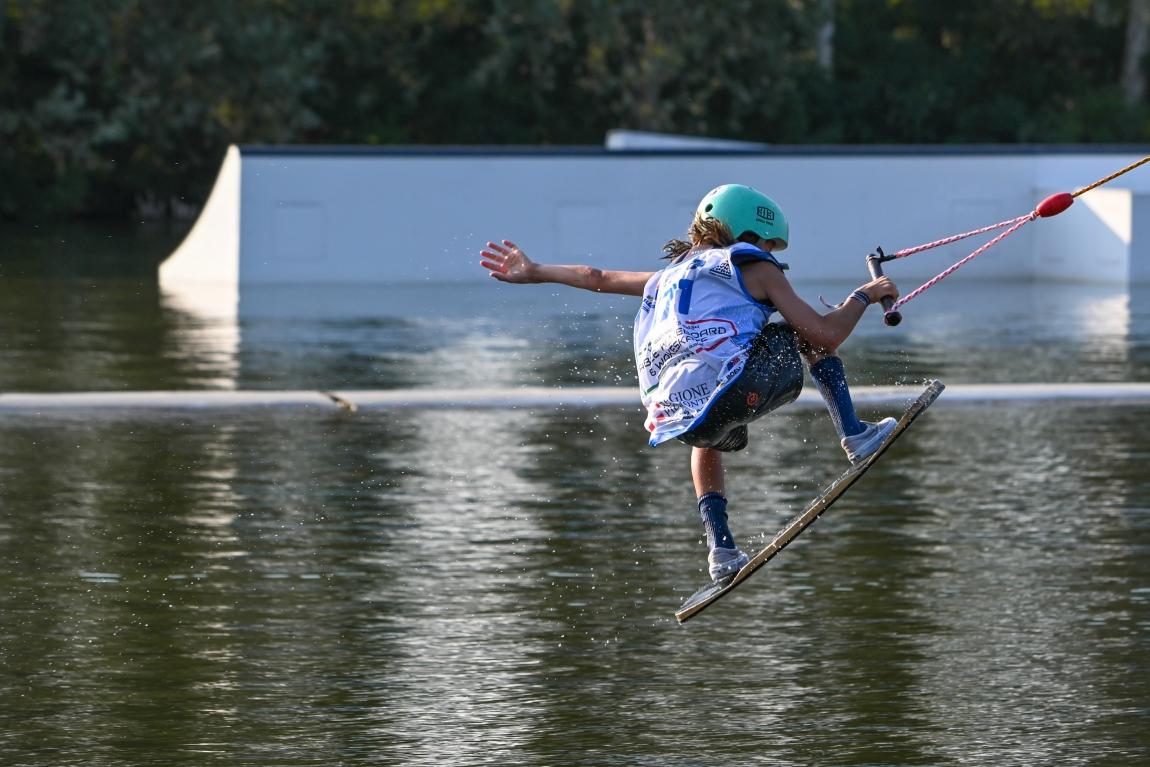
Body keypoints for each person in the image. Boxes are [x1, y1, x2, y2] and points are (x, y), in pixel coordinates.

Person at [479, 183, 899, 584]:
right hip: (734, 391)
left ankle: (720, 550)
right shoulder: (752, 262)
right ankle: (855, 435)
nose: (771, 255)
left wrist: (535, 271)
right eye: (769, 244)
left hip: (678, 419)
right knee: (802, 335)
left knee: (706, 427)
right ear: (750, 232)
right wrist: (864, 295)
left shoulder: (664, 278)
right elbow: (825, 334)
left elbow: (596, 276)